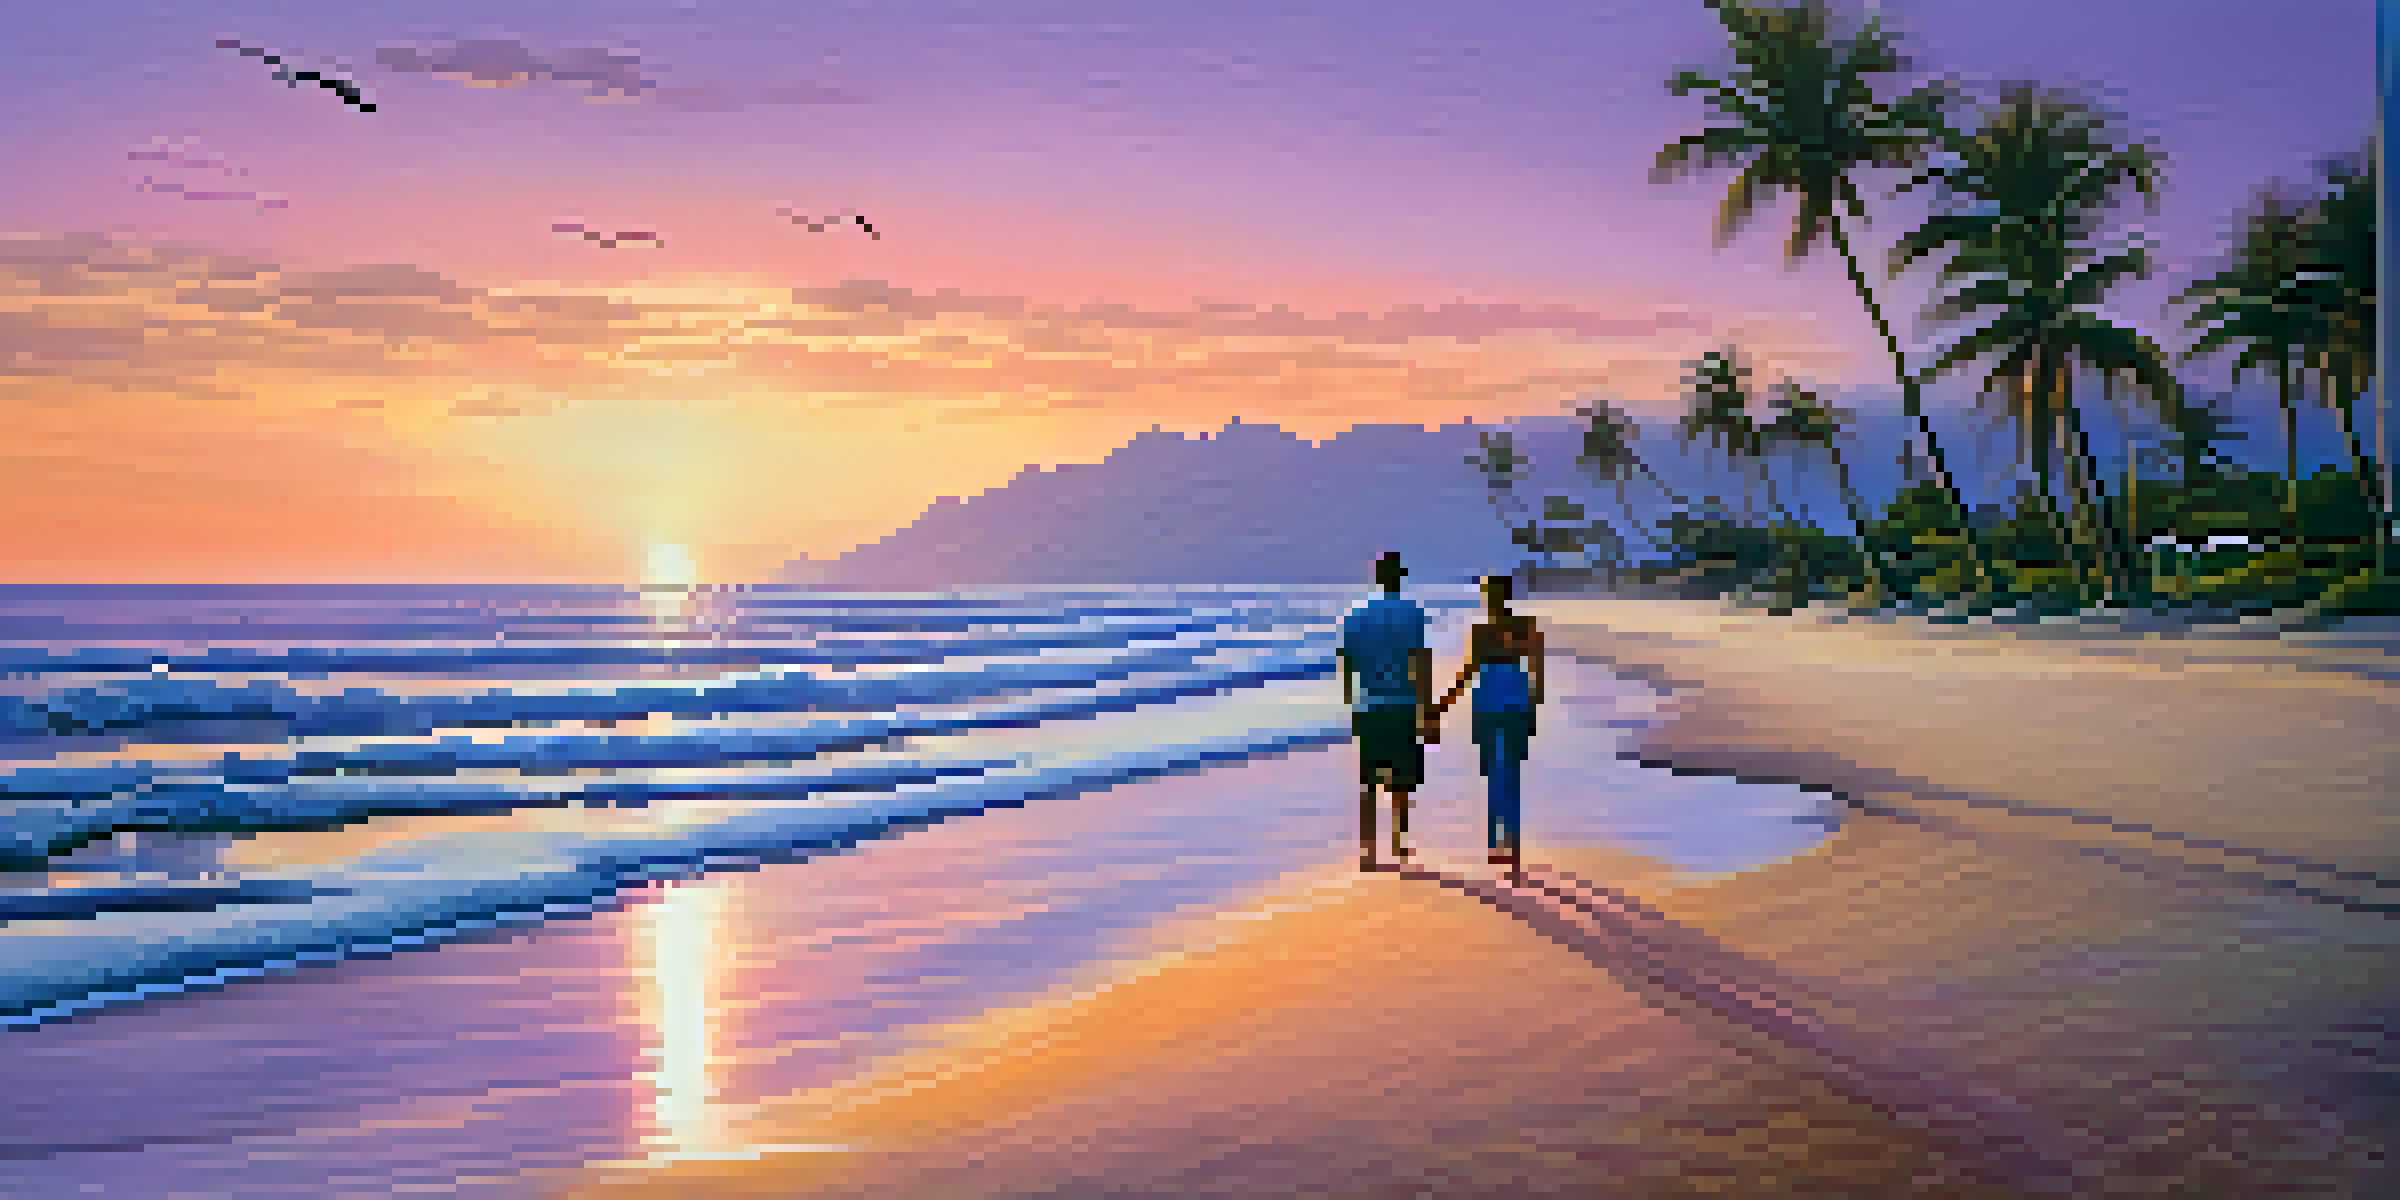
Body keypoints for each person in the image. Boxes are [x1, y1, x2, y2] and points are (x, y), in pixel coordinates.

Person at [1430, 573, 1545, 883]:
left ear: (1491, 596)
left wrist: (1441, 705)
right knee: (1509, 771)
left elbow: (1469, 672)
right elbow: (1537, 670)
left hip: (1491, 704)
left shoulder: (1482, 631)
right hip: (1516, 702)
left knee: (1494, 770)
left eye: (1487, 593)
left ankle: (1500, 841)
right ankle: (1509, 841)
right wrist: (1533, 705)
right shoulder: (1525, 627)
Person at [1337, 551, 1433, 870]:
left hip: (1368, 706)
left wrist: (1352, 702)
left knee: (1369, 780)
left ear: (1376, 576)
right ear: (1400, 576)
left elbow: (1347, 662)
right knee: (1402, 780)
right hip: (1403, 704)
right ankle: (1398, 842)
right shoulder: (1411, 613)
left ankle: (1367, 849)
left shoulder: (1356, 613)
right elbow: (1421, 663)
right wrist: (1426, 710)